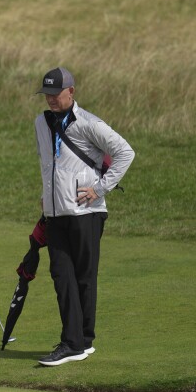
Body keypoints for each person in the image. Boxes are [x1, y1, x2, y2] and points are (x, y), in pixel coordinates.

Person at [34, 67, 134, 366]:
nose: (51, 99)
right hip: (55, 213)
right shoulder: (41, 122)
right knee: (62, 276)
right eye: (47, 94)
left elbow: (125, 152)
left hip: (86, 213)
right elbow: (46, 163)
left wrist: (100, 189)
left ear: (71, 92)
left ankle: (79, 342)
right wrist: (46, 199)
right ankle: (77, 341)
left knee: (84, 278)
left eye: (56, 94)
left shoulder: (89, 123)